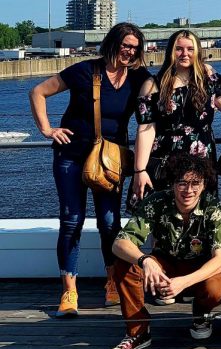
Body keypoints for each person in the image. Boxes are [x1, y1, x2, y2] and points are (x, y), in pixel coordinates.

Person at [29, 23, 150, 315]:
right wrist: (47, 130)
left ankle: (112, 281)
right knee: (72, 220)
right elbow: (38, 92)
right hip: (71, 156)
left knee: (109, 222)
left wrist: (206, 74)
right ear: (112, 43)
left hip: (109, 162)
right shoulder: (84, 71)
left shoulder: (138, 78)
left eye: (134, 48)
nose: (129, 51)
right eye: (125, 45)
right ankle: (69, 291)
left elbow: (165, 87)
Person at [106, 154, 221, 349]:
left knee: (216, 287)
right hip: (164, 264)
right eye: (182, 183)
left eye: (195, 183)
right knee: (124, 265)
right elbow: (120, 243)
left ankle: (201, 314)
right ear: (172, 182)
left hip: (199, 267)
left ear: (204, 183)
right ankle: (138, 331)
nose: (188, 190)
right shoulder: (156, 202)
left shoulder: (214, 208)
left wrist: (184, 282)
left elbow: (220, 259)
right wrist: (145, 261)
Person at [133, 29, 221, 199]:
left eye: (190, 49)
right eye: (179, 49)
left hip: (202, 161)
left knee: (201, 213)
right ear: (171, 51)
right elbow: (145, 130)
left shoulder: (211, 81)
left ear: (197, 51)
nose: (185, 54)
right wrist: (139, 170)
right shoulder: (154, 84)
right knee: (162, 213)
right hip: (166, 161)